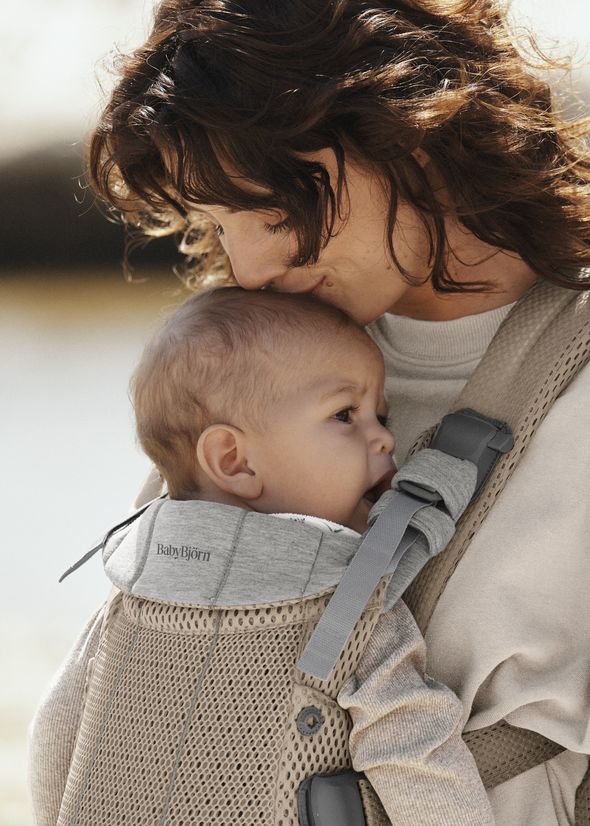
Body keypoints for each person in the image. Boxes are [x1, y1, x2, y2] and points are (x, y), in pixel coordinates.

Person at [43, 0, 590, 823]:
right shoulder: (260, 370)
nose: (251, 266)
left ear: (404, 128)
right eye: (220, 225)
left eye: (271, 210)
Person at [29, 285, 494, 825]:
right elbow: (417, 753)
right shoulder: (350, 606)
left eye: (381, 418)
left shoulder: (134, 588)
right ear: (234, 459)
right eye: (346, 415)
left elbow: (55, 728)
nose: (385, 440)